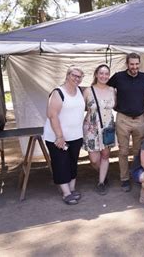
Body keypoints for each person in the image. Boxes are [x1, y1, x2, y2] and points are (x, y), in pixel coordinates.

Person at [108, 52, 144, 192]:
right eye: (131, 64)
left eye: (136, 64)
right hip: (123, 118)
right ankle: (124, 179)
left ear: (139, 64)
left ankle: (138, 175)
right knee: (123, 151)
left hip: (140, 118)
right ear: (127, 64)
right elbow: (105, 87)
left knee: (139, 151)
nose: (134, 67)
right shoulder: (118, 77)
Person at [43, 66, 85, 205]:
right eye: (74, 75)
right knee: (61, 164)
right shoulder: (58, 92)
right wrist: (59, 136)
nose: (76, 78)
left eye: (79, 76)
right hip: (58, 137)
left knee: (73, 162)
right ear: (67, 75)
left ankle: (72, 189)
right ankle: (66, 193)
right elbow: (52, 115)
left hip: (75, 136)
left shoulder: (79, 91)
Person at [83, 64, 116, 195]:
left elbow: (115, 106)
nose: (104, 76)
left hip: (107, 127)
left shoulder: (112, 90)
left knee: (105, 155)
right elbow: (81, 107)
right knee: (94, 159)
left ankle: (101, 182)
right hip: (91, 128)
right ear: (96, 74)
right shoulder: (88, 91)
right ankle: (102, 172)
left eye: (106, 74)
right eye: (101, 73)